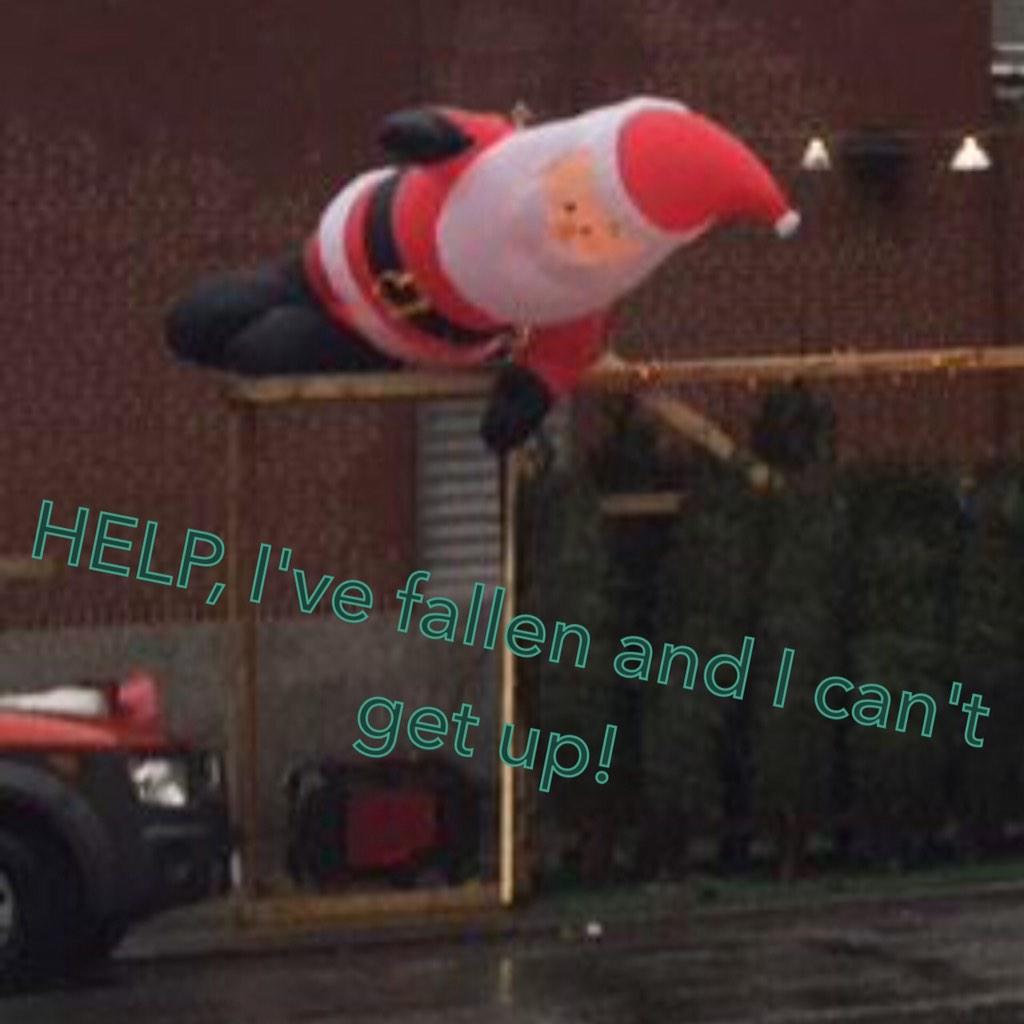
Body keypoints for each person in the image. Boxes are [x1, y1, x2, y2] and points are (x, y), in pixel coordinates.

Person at [166, 97, 798, 453]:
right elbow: (451, 132)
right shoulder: (501, 158)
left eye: (609, 233)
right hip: (322, 265)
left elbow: (561, 355)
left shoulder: (581, 294)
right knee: (197, 321)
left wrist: (528, 398)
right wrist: (425, 133)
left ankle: (271, 340)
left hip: (376, 340)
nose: (579, 230)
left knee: (260, 352)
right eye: (580, 205)